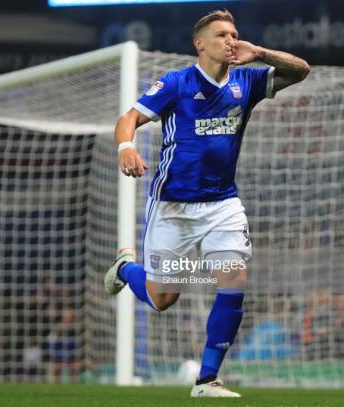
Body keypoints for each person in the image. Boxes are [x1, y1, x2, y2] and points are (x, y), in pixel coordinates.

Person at [104, 10, 309, 397]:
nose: (230, 40)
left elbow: (301, 71)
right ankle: (125, 269)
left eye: (234, 34)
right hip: (173, 204)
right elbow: (129, 117)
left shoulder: (247, 81)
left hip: (222, 204)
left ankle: (206, 380)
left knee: (234, 279)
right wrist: (127, 146)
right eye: (221, 35)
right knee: (164, 298)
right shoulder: (176, 83)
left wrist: (261, 52)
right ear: (200, 43)